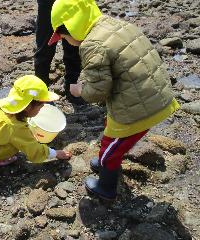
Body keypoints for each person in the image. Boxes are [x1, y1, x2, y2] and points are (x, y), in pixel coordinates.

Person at [48, 0, 180, 201]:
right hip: (153, 92)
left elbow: (98, 91)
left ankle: (106, 188)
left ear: (72, 26)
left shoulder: (92, 44)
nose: (64, 41)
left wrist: (79, 90)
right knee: (110, 128)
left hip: (140, 107)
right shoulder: (115, 25)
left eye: (63, 36)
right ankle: (105, 161)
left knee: (112, 147)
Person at [0, 75, 72, 166]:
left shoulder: (3, 103)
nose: (42, 108)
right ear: (28, 107)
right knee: (16, 145)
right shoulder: (15, 127)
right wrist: (56, 153)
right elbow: (34, 150)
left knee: (11, 135)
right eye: (41, 105)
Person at [34, 0, 83, 104]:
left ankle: (71, 87)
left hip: (73, 3)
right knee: (45, 47)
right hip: (48, 3)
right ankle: (41, 91)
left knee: (74, 45)